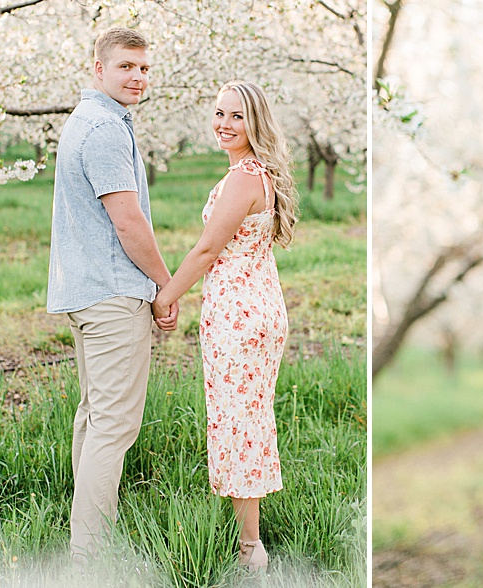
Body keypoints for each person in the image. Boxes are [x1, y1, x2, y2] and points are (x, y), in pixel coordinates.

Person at [152, 80, 297, 572]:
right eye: (219, 113)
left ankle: (250, 551)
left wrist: (164, 296)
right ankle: (250, 542)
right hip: (256, 308)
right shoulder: (258, 173)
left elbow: (207, 249)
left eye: (236, 116)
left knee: (239, 423)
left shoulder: (243, 178)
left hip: (240, 316)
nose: (224, 124)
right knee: (246, 420)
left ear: (255, 121)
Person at [46, 27, 178, 564]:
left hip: (84, 291)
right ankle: (92, 554)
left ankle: (86, 538)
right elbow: (129, 222)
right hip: (111, 295)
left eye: (144, 68)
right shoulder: (102, 128)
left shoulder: (89, 121)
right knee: (114, 425)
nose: (138, 78)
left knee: (95, 418)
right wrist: (166, 286)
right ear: (97, 68)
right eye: (126, 67)